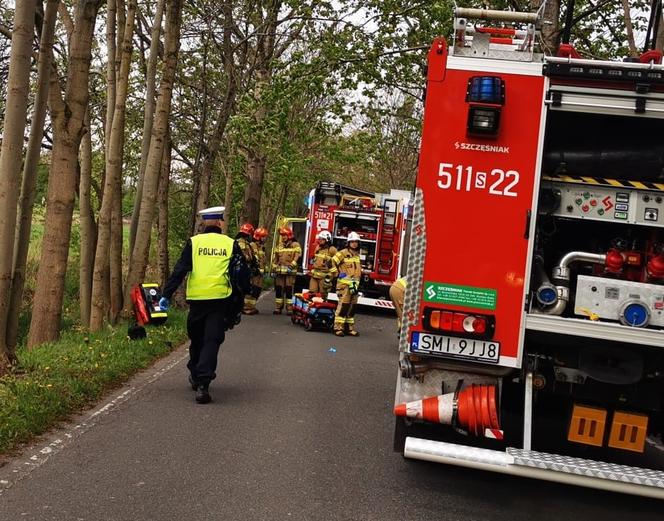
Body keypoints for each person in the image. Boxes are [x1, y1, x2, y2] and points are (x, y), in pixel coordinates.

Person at [159, 206, 249, 404]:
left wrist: (166, 294)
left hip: (197, 300)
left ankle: (200, 378)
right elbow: (241, 272)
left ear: (205, 223)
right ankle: (202, 382)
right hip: (219, 299)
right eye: (223, 220)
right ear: (219, 223)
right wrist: (242, 297)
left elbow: (180, 269)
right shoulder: (230, 243)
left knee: (198, 338)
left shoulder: (194, 242)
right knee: (211, 340)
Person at [331, 231, 362, 337]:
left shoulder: (357, 255)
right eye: (352, 242)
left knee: (352, 307)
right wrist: (337, 273)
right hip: (344, 285)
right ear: (348, 243)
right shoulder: (342, 253)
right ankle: (338, 328)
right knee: (343, 306)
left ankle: (349, 328)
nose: (354, 244)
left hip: (354, 285)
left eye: (356, 242)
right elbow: (331, 262)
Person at [272, 227, 301, 315]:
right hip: (280, 273)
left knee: (289, 290)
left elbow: (298, 256)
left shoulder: (295, 245)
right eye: (282, 235)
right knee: (279, 290)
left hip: (290, 273)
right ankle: (278, 308)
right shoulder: (279, 246)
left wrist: (291, 266)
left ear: (289, 235)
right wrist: (274, 268)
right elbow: (275, 259)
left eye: (284, 235)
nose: (283, 237)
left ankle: (289, 309)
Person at [244, 226, 268, 314]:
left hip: (260, 274)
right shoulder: (252, 245)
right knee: (251, 290)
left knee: (257, 290)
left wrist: (265, 268)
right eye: (263, 236)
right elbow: (252, 259)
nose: (265, 238)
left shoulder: (261, 247)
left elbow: (263, 259)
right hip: (254, 273)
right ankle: (246, 308)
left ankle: (252, 307)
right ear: (258, 237)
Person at [308, 230, 337, 299]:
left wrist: (332, 275)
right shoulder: (318, 248)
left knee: (323, 295)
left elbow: (337, 262)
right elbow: (314, 259)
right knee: (312, 293)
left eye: (322, 239)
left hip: (324, 277)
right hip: (314, 276)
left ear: (327, 240)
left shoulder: (332, 249)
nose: (320, 241)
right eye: (319, 239)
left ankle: (322, 308)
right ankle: (312, 308)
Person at [235, 223, 256, 314]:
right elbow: (244, 256)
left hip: (245, 268)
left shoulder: (245, 243)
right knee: (243, 287)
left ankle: (243, 307)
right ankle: (243, 308)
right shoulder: (241, 243)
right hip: (242, 269)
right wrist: (251, 260)